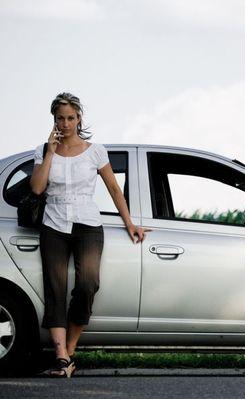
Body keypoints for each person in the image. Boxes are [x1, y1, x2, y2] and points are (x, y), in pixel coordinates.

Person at [29, 92, 151, 377]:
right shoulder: (42, 150)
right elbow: (37, 188)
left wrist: (129, 222)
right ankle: (60, 357)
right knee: (55, 290)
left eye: (71, 118)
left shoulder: (95, 151)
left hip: (87, 224)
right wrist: (49, 151)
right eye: (60, 118)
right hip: (54, 224)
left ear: (79, 117)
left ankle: (69, 351)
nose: (66, 123)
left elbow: (113, 188)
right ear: (54, 120)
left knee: (88, 285)